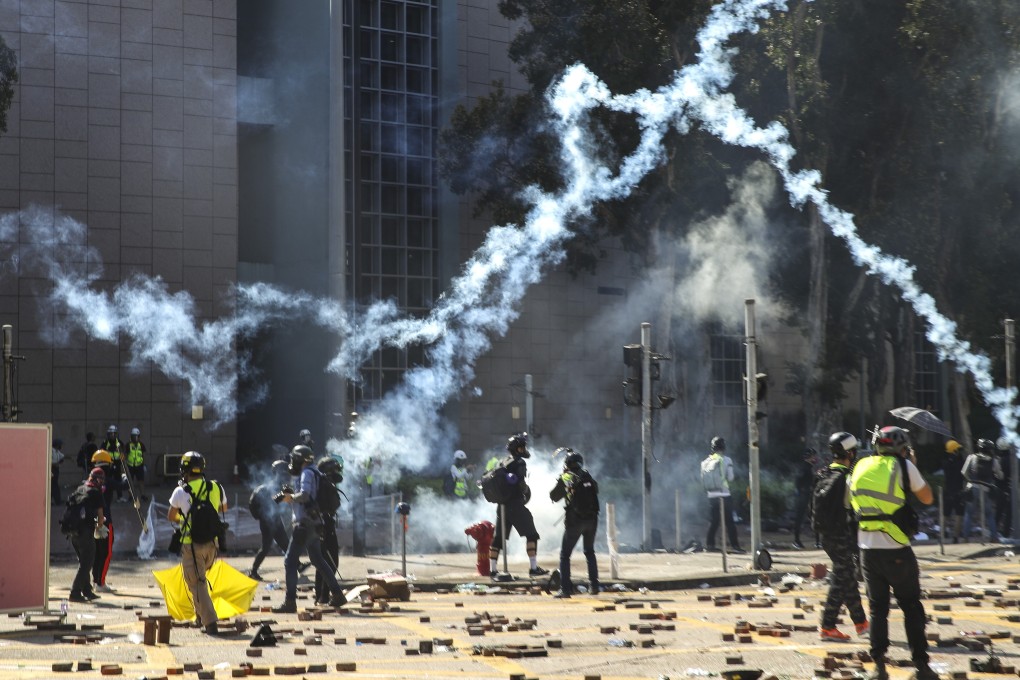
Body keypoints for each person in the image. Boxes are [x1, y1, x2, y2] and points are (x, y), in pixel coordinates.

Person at [849, 425, 935, 680]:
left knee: (877, 610)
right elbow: (927, 498)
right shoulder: (903, 466)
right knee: (911, 606)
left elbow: (851, 501)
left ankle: (879, 668)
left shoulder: (860, 465)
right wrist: (911, 468)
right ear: (902, 448)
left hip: (867, 550)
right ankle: (921, 667)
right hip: (896, 548)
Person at [271, 445, 347, 613]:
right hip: (315, 523)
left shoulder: (306, 473)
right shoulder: (315, 472)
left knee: (290, 561)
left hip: (304, 524)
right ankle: (337, 594)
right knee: (318, 560)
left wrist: (290, 497)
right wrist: (292, 493)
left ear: (299, 459)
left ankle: (290, 602)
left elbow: (306, 495)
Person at [814, 432, 868, 642]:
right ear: (851, 453)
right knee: (843, 578)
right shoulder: (847, 478)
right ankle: (830, 626)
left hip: (825, 535)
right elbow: (855, 510)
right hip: (842, 535)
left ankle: (858, 623)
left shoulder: (824, 474)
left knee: (845, 576)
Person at [167, 451, 224, 635]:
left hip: (191, 545)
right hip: (212, 545)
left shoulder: (180, 491)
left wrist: (185, 518)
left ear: (184, 470)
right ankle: (200, 617)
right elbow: (223, 507)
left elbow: (171, 516)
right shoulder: (215, 487)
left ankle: (210, 623)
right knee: (199, 581)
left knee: (197, 583)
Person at [487, 432, 549, 579]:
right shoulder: (519, 462)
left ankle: (493, 570)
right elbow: (521, 483)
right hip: (515, 505)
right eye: (521, 447)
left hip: (501, 506)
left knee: (498, 539)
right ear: (517, 449)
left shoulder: (502, 462)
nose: (523, 449)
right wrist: (526, 491)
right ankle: (533, 568)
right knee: (532, 535)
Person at [549, 448, 599, 598]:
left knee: (565, 555)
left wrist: (562, 480)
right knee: (589, 552)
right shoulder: (587, 475)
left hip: (575, 521)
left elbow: (553, 496)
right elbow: (596, 490)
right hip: (592, 520)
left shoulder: (566, 477)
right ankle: (594, 586)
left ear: (567, 464)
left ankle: (565, 589)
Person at [247, 462, 292, 581]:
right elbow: (253, 504)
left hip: (276, 520)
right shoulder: (267, 488)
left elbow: (283, 503)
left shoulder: (280, 487)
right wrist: (260, 516)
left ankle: (298, 565)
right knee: (266, 547)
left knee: (286, 545)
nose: (285, 475)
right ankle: (253, 571)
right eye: (283, 472)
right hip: (267, 521)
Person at [68, 467, 106, 602]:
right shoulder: (96, 492)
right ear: (98, 480)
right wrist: (99, 528)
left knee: (83, 561)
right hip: (85, 532)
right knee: (87, 563)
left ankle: (87, 590)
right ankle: (75, 592)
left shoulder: (80, 489)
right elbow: (100, 517)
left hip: (72, 531)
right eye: (101, 479)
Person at [701, 436, 742, 553]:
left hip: (711, 495)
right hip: (724, 495)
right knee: (730, 522)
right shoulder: (727, 460)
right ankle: (735, 546)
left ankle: (710, 545)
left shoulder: (705, 462)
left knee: (714, 521)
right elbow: (731, 477)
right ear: (723, 447)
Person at [313, 455, 344, 604]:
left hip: (324, 523)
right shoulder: (324, 484)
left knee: (323, 562)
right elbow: (329, 505)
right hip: (324, 525)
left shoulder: (324, 483)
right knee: (330, 562)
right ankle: (324, 595)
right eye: (334, 470)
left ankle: (321, 596)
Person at [962, 438, 1003, 542]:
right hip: (986, 489)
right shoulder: (994, 460)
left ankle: (965, 537)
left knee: (969, 513)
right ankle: (994, 537)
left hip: (972, 487)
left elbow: (964, 472)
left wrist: (970, 480)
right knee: (989, 514)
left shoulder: (972, 457)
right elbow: (1000, 476)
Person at [90, 449, 116, 592]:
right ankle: (101, 582)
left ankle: (96, 581)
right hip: (105, 521)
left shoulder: (89, 482)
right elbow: (123, 485)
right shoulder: (108, 480)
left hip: (92, 522)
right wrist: (125, 478)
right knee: (106, 553)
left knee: (97, 553)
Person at [792, 448, 819, 549]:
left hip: (807, 495)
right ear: (808, 457)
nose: (815, 458)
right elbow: (799, 482)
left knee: (814, 517)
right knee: (801, 518)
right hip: (804, 496)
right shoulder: (804, 468)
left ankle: (817, 541)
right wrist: (802, 491)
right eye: (813, 456)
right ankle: (797, 540)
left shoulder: (808, 467)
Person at [942, 440, 967, 543]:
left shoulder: (945, 463)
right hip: (958, 491)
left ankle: (942, 534)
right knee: (959, 514)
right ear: (954, 451)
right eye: (958, 449)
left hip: (948, 491)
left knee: (945, 514)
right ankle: (955, 537)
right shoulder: (961, 462)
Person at [994, 437, 1013, 539]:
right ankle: (1006, 533)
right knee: (1009, 512)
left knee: (999, 511)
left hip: (1000, 488)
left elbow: (996, 475)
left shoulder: (998, 460)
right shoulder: (1014, 459)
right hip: (1011, 487)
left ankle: (993, 532)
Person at [102, 425, 126, 503]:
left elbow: (122, 452)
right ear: (108, 434)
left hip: (117, 464)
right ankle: (106, 496)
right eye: (111, 434)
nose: (113, 435)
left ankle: (120, 496)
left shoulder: (119, 442)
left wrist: (122, 463)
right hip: (108, 464)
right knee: (107, 480)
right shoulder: (105, 443)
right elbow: (102, 453)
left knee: (118, 480)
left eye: (114, 434)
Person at [125, 427, 147, 501]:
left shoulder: (141, 445)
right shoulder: (128, 445)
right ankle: (130, 496)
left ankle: (143, 495)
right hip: (130, 466)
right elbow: (125, 455)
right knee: (130, 482)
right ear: (131, 436)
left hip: (139, 465)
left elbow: (144, 455)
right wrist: (124, 465)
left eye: (137, 436)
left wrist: (144, 465)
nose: (135, 438)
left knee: (141, 481)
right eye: (134, 436)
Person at [51, 438, 65, 504]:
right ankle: (57, 500)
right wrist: (56, 464)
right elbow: (49, 461)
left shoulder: (57, 451)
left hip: (56, 469)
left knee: (53, 485)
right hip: (52, 469)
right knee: (54, 485)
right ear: (57, 445)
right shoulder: (51, 451)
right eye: (60, 445)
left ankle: (54, 500)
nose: (61, 446)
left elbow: (62, 456)